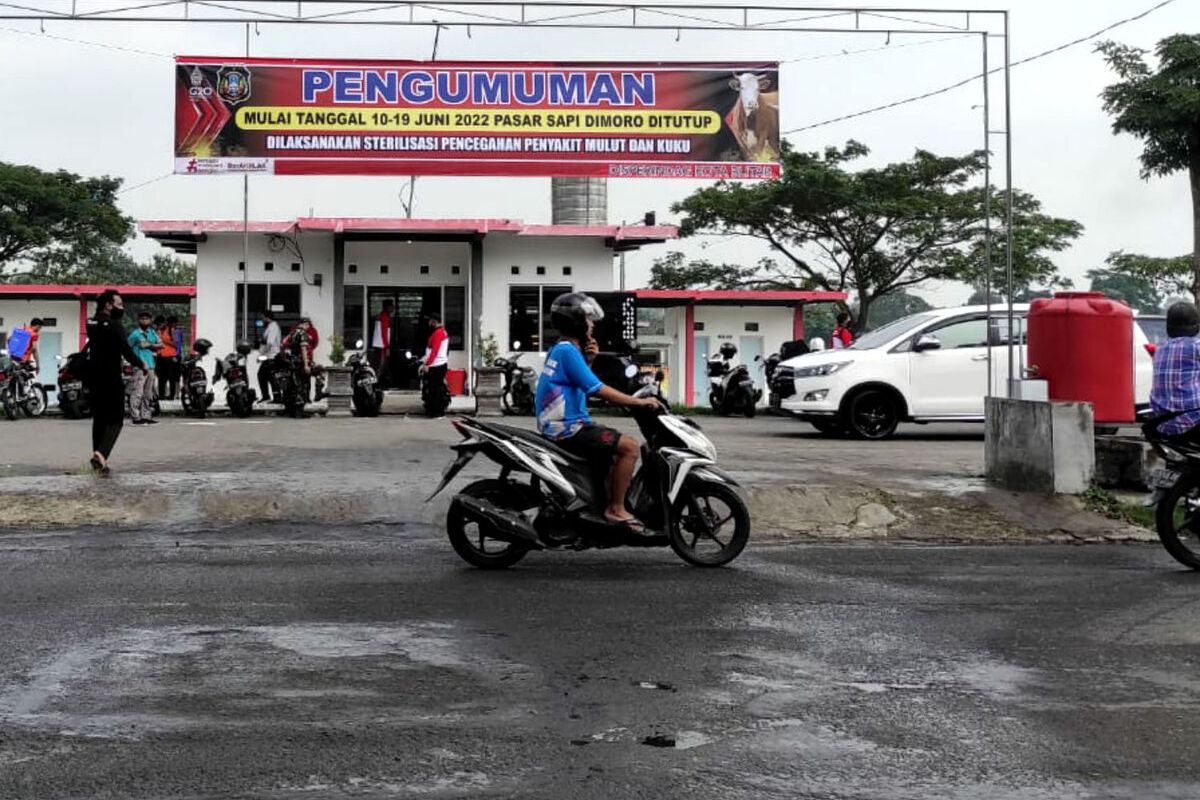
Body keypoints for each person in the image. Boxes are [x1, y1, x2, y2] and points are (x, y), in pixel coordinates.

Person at [534, 292, 661, 532]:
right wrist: (639, 403)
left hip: (562, 425)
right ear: (577, 323)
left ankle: (601, 502)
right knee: (630, 447)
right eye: (588, 320)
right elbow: (597, 388)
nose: (592, 325)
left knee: (614, 451)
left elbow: (579, 383)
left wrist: (589, 359)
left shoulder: (560, 349)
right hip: (569, 428)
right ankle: (615, 509)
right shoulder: (568, 351)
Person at [85, 290, 144, 474]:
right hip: (110, 377)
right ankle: (102, 453)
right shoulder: (114, 326)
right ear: (108, 305)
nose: (122, 308)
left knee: (100, 418)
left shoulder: (91, 323)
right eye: (119, 304)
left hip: (93, 377)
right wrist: (142, 364)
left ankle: (98, 458)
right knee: (116, 419)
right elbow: (126, 350)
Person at [1150, 302, 1200, 442]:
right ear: (1196, 326)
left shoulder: (1160, 349)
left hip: (1162, 422)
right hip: (1192, 420)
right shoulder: (1196, 347)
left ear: (1168, 327)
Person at [127, 311, 164, 425]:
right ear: (139, 320)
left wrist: (149, 345)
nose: (144, 320)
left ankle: (146, 416)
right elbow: (126, 348)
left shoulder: (152, 332)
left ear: (150, 320)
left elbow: (161, 345)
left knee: (148, 393)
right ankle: (135, 416)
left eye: (146, 319)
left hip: (151, 365)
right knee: (138, 392)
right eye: (142, 318)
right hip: (140, 367)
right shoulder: (135, 334)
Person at [419, 312, 450, 417]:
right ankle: (436, 411)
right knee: (436, 389)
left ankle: (436, 412)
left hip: (436, 365)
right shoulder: (441, 332)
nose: (428, 323)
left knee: (434, 390)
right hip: (438, 364)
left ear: (434, 322)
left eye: (430, 321)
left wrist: (427, 364)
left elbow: (435, 351)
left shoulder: (438, 333)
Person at [258, 310, 282, 403]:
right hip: (269, 357)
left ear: (267, 317)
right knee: (265, 376)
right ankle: (270, 396)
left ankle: (274, 397)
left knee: (269, 377)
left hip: (272, 357)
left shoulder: (273, 327)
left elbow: (269, 344)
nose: (262, 320)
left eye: (263, 318)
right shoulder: (270, 327)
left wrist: (261, 356)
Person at [156, 315, 179, 400]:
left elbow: (176, 344)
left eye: (160, 324)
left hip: (170, 357)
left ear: (164, 323)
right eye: (157, 325)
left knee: (171, 377)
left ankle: (171, 395)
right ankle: (161, 395)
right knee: (161, 377)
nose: (159, 326)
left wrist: (164, 340)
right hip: (160, 356)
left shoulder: (170, 330)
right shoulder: (157, 331)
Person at [371, 299, 393, 382]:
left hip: (379, 343)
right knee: (380, 364)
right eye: (391, 306)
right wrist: (387, 347)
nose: (393, 308)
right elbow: (384, 332)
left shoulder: (381, 315)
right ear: (387, 307)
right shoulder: (384, 316)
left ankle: (378, 380)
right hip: (381, 344)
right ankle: (376, 381)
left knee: (381, 364)